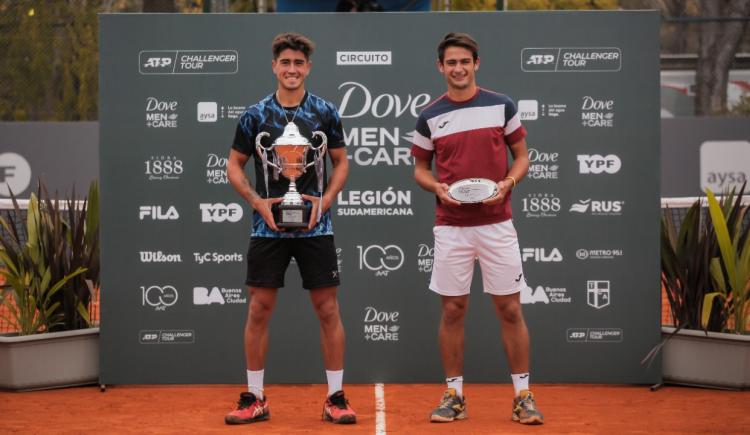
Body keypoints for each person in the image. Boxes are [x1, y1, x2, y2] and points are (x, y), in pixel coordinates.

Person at [411, 32, 544, 425]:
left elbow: (521, 157)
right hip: (451, 227)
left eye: (464, 61)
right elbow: (420, 168)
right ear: (441, 67)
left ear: (476, 64)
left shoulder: (502, 105)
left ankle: (523, 397)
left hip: (497, 224)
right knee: (452, 310)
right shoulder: (429, 115)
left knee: (510, 308)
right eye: (450, 62)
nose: (458, 68)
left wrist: (508, 183)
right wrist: (437, 187)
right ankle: (454, 395)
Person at [225, 32, 356, 425]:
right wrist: (258, 202)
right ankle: (255, 397)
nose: (292, 70)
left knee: (327, 309)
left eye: (299, 63)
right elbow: (234, 166)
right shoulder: (254, 115)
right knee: (259, 309)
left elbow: (341, 162)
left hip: (316, 228)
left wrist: (324, 201)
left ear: (308, 68)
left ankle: (335, 397)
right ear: (274, 67)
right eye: (286, 63)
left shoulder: (325, 112)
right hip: (268, 230)